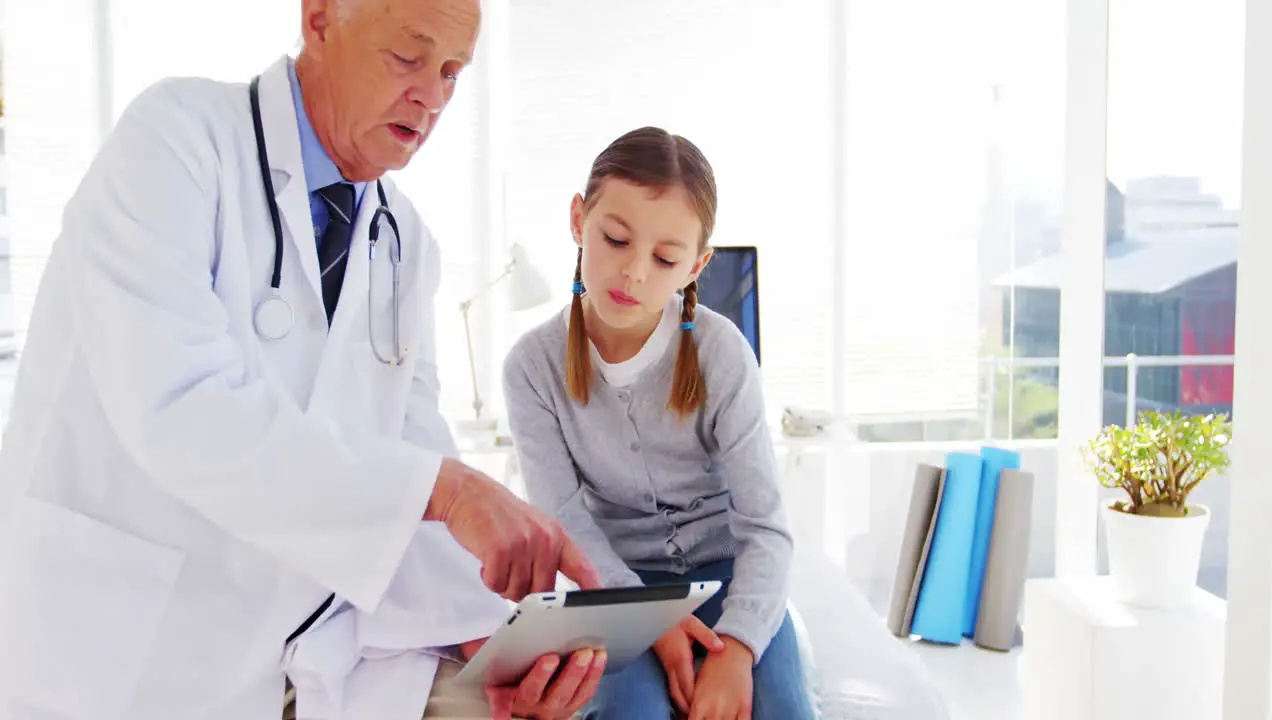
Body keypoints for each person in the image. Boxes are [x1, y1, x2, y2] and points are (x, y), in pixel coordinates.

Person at [0, 0, 605, 718]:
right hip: (112, 644)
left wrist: (485, 632)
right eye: (407, 58)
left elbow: (411, 449)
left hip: (268, 651)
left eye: (451, 72)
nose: (433, 97)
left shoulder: (404, 241)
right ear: (319, 19)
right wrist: (448, 491)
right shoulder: (175, 142)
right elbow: (181, 410)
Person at [501, 126, 816, 720]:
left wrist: (740, 645)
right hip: (617, 588)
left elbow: (765, 528)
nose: (635, 272)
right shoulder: (530, 368)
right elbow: (567, 522)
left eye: (665, 258)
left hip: (728, 574)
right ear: (578, 221)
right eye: (615, 239)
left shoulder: (722, 353)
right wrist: (654, 620)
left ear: (695, 266)